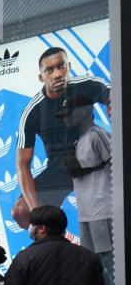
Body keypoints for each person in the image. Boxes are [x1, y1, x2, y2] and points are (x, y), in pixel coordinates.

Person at [12, 47, 110, 229]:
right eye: (50, 70)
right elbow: (22, 163)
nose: (57, 74)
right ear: (41, 77)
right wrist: (37, 214)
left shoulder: (86, 85)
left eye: (61, 66)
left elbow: (114, 97)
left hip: (91, 157)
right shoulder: (33, 111)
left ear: (69, 67)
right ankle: (53, 239)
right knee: (20, 211)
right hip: (60, 167)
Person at [61, 96, 115, 285]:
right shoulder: (79, 139)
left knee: (106, 264)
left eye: (70, 111)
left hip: (103, 208)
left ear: (84, 111)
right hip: (87, 209)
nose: (65, 117)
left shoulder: (97, 135)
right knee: (95, 264)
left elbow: (115, 164)